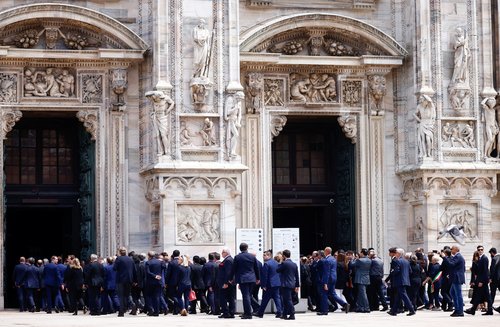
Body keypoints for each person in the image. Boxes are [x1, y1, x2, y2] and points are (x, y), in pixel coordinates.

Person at [232, 242, 260, 319]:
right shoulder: (252, 256)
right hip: (252, 279)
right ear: (247, 248)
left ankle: (248, 314)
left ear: (240, 248)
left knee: (246, 296)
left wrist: (231, 278)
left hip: (243, 279)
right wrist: (258, 278)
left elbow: (233, 269)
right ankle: (255, 309)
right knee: (248, 295)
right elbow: (256, 268)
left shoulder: (237, 257)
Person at [387, 248, 415, 316]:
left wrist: (392, 272)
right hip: (405, 280)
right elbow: (410, 271)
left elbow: (396, 270)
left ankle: (411, 310)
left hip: (399, 281)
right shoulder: (406, 261)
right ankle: (393, 311)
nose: (395, 254)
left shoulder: (397, 261)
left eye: (396, 253)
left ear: (398, 254)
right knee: (398, 296)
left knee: (404, 295)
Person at [465, 245, 493, 315]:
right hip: (481, 281)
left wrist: (481, 281)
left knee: (483, 296)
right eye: (479, 250)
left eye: (481, 250)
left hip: (482, 281)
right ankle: (475, 310)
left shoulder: (485, 258)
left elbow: (485, 271)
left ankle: (474, 310)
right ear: (477, 250)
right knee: (483, 296)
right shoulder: (480, 258)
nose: (480, 251)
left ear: (483, 250)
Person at [255, 251, 282, 318]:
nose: (263, 257)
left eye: (264, 255)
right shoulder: (276, 263)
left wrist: (263, 285)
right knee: (277, 298)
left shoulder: (266, 264)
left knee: (265, 299)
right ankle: (280, 312)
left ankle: (260, 313)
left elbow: (264, 276)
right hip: (276, 283)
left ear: (268, 256)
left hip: (269, 284)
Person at [113, 247, 137, 317]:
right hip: (129, 280)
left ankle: (121, 311)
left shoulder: (118, 259)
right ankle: (133, 305)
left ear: (120, 252)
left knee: (121, 296)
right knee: (128, 294)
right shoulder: (131, 259)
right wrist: (135, 280)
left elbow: (114, 268)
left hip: (120, 280)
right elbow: (134, 270)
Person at [276, 249, 300, 320]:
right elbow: (297, 276)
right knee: (286, 300)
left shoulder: (284, 263)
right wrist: (297, 285)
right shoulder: (294, 264)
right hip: (292, 284)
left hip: (285, 284)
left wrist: (280, 261)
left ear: (283, 256)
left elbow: (277, 270)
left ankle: (292, 314)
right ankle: (284, 314)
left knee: (288, 300)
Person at [443, 245, 466, 317]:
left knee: (458, 294)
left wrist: (444, 257)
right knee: (452, 293)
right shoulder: (457, 257)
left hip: (456, 278)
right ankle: (457, 309)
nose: (450, 250)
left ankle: (460, 311)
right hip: (454, 277)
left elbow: (451, 264)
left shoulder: (458, 256)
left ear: (455, 250)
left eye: (451, 249)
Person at [145, 251, 166, 316]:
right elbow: (164, 268)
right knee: (157, 296)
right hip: (159, 281)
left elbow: (147, 272)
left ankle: (151, 310)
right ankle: (157, 311)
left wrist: (154, 276)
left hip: (150, 282)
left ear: (148, 256)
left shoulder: (148, 262)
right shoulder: (160, 262)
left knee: (149, 296)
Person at [224, 91, 244, 159]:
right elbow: (227, 112)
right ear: (236, 96)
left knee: (236, 135)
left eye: (241, 99)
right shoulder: (230, 99)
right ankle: (231, 151)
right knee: (236, 135)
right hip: (231, 120)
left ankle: (232, 151)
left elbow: (240, 114)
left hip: (235, 121)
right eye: (239, 99)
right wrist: (235, 108)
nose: (240, 101)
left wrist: (238, 122)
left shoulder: (239, 103)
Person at [217, 247, 235, 319]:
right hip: (229, 282)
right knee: (230, 298)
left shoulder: (228, 260)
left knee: (223, 298)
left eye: (222, 252)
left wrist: (226, 282)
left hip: (226, 283)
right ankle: (230, 312)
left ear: (226, 253)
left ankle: (226, 313)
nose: (221, 254)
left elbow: (228, 272)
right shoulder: (229, 259)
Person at [352, 248, 371, 313]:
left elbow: (352, 264)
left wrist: (353, 258)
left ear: (362, 253)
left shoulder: (359, 260)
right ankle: (360, 307)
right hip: (366, 278)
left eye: (360, 252)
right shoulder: (369, 260)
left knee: (363, 294)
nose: (359, 253)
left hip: (360, 279)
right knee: (361, 294)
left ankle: (366, 308)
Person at [489, 248, 500, 313]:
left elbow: (492, 270)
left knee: (492, 294)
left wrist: (490, 278)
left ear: (492, 253)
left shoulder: (494, 259)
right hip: (499, 279)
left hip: (494, 279)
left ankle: (490, 309)